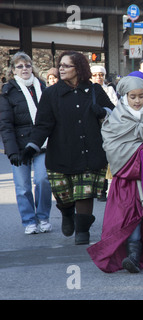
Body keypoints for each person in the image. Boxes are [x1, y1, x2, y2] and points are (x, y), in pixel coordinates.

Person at [21, 51, 115, 245]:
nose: (61, 69)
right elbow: (43, 125)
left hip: (90, 152)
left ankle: (82, 232)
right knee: (64, 197)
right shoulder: (51, 94)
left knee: (85, 192)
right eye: (60, 65)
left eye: (66, 66)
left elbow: (115, 115)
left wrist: (104, 112)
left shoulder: (96, 90)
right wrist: (32, 146)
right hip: (61, 154)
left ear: (78, 69)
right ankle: (66, 213)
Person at [87, 75, 143, 273]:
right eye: (132, 96)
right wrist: (139, 149)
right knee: (130, 215)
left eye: (140, 96)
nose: (137, 101)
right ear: (125, 97)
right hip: (128, 179)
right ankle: (133, 255)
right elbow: (111, 145)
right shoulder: (116, 118)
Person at [0, 51, 52, 235]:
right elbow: (5, 125)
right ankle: (29, 220)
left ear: (32, 68)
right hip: (20, 147)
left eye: (27, 65)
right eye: (20, 66)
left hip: (42, 144)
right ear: (13, 69)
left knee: (43, 180)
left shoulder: (43, 88)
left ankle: (43, 216)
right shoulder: (8, 91)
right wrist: (11, 151)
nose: (24, 69)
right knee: (23, 187)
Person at [91, 65, 118, 202]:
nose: (98, 77)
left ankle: (104, 188)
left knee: (107, 158)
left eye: (100, 75)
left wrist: (104, 111)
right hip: (94, 129)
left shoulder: (109, 90)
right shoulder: (89, 90)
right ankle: (99, 188)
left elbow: (115, 107)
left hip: (108, 128)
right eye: (95, 75)